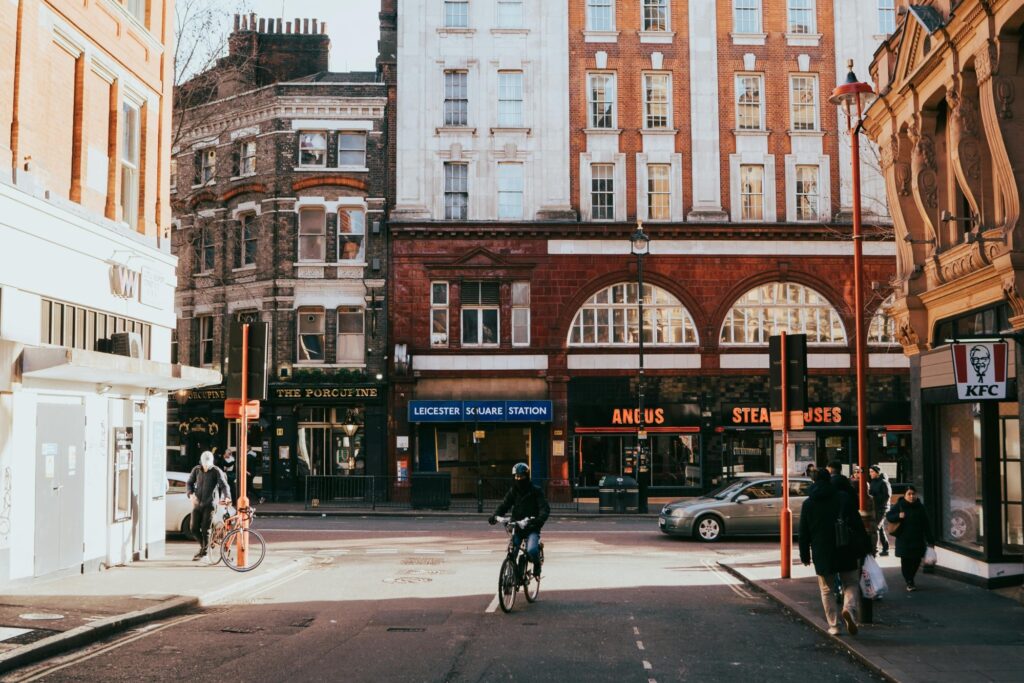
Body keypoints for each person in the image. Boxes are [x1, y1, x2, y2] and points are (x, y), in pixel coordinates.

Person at [799, 469, 871, 636]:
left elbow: (804, 533)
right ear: (829, 480)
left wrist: (804, 555)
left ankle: (834, 626)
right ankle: (848, 609)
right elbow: (857, 523)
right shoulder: (842, 498)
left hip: (822, 551)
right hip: (845, 547)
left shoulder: (808, 503)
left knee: (827, 590)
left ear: (813, 481)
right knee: (851, 583)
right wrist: (865, 546)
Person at [489, 462, 550, 579]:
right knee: (512, 551)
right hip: (517, 526)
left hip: (531, 527)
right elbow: (504, 505)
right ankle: (512, 577)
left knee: (531, 550)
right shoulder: (513, 491)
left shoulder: (536, 491)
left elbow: (544, 508)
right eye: (516, 477)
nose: (519, 479)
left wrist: (538, 520)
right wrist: (495, 515)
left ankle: (537, 564)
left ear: (527, 477)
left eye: (521, 476)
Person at [885, 485, 935, 591]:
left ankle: (910, 578)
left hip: (918, 540)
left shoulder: (920, 507)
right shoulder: (900, 505)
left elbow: (926, 524)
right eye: (909, 494)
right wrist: (898, 516)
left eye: (913, 494)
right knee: (906, 562)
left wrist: (930, 540)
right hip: (904, 540)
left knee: (916, 561)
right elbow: (889, 516)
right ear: (905, 495)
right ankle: (909, 581)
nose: (912, 496)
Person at [186, 450, 232, 561]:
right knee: (193, 528)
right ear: (201, 462)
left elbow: (224, 486)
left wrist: (227, 497)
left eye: (208, 465)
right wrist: (190, 494)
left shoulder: (216, 471)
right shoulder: (196, 470)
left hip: (210, 504)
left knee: (205, 528)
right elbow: (189, 483)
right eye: (204, 465)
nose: (206, 467)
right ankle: (204, 547)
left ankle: (204, 552)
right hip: (197, 503)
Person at [868, 465, 893, 556]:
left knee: (876, 528)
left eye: (872, 472)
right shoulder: (873, 482)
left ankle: (876, 550)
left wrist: (874, 497)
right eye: (870, 471)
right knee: (880, 528)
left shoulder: (884, 482)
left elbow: (886, 496)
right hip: (876, 508)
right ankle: (885, 548)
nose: (870, 474)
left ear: (877, 473)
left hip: (882, 508)